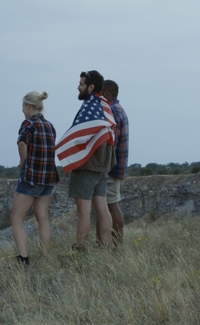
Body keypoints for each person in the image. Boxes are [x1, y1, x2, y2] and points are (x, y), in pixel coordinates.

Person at [55, 70, 116, 250]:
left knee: (84, 212)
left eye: (81, 84)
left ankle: (80, 249)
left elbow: (80, 135)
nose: (78, 87)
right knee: (103, 209)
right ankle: (105, 247)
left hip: (87, 167)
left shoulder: (90, 107)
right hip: (102, 168)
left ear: (91, 87)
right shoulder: (105, 106)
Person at [10, 91, 59, 265]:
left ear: (29, 106)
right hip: (48, 178)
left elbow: (22, 142)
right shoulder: (49, 125)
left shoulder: (28, 123)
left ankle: (23, 259)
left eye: (23, 106)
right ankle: (46, 256)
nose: (22, 110)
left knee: (16, 219)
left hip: (31, 177)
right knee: (43, 218)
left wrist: (23, 161)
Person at [97, 79, 128, 245]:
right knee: (108, 205)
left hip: (110, 168)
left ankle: (113, 245)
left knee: (110, 205)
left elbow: (111, 143)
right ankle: (109, 244)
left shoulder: (112, 112)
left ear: (107, 93)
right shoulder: (118, 109)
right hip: (115, 168)